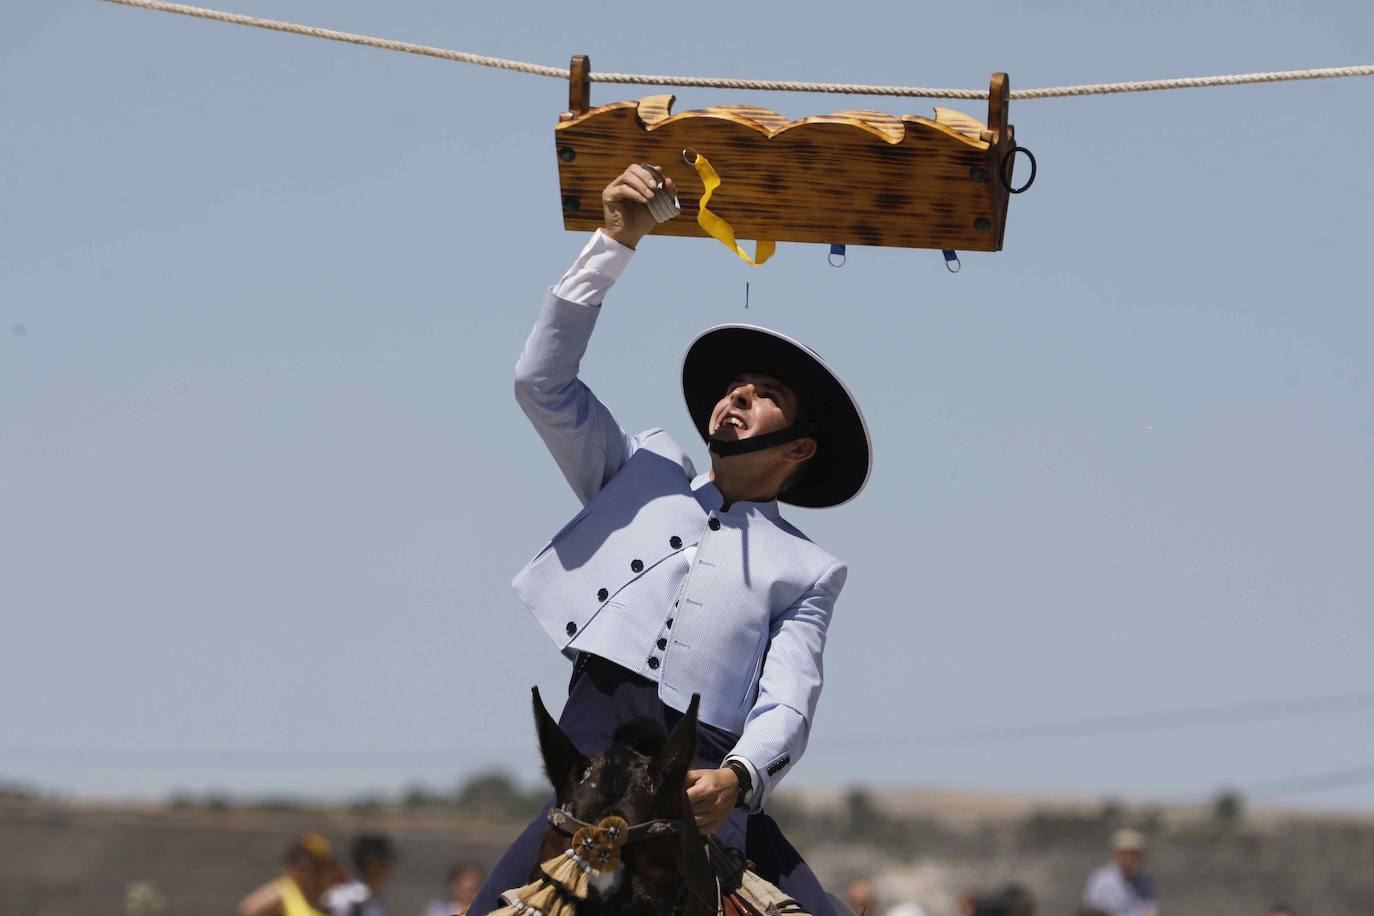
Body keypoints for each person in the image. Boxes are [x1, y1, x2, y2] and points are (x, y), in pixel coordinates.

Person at [466, 163, 872, 916]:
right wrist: (615, 241)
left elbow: (789, 700)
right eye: (733, 389)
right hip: (591, 775)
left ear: (801, 449)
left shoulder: (810, 568)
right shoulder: (642, 468)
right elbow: (540, 384)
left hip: (704, 789)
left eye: (764, 396)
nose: (736, 397)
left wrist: (740, 778)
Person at [238, 833, 340, 916]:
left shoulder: (328, 897)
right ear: (293, 870)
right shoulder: (281, 896)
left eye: (321, 868)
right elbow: (248, 909)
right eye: (306, 870)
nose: (313, 875)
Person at [1083, 829, 1160, 916]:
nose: (1130, 860)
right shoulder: (1101, 881)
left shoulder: (1146, 882)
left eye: (1135, 855)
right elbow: (1092, 912)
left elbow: (1151, 910)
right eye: (1125, 854)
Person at [324, 835, 396, 916]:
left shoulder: (373, 896)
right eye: (384, 862)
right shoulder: (347, 897)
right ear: (372, 863)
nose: (388, 869)